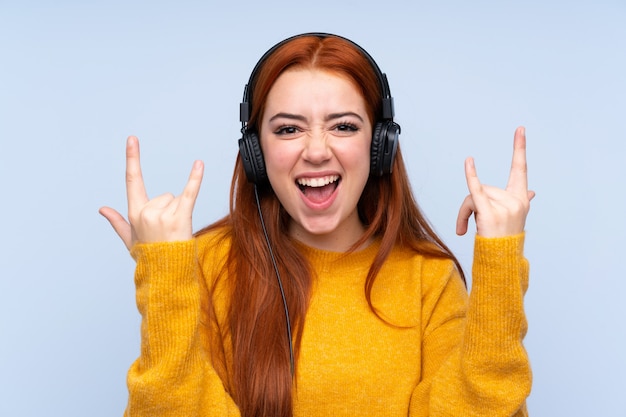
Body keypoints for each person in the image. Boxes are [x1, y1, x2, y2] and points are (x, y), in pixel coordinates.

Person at [100, 32, 534, 417]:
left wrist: (500, 266)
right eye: (288, 129)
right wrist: (162, 279)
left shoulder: (428, 278)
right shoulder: (206, 265)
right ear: (256, 152)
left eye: (344, 126)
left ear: (379, 146)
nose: (316, 151)